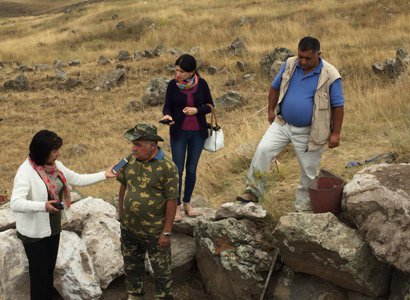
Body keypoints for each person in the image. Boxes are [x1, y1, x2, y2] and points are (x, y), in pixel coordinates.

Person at [237, 36, 345, 212]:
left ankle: (303, 208)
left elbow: (338, 105)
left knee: (309, 171)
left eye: (307, 58)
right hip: (282, 124)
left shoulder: (331, 75)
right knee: (263, 150)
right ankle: (253, 192)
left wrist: (336, 133)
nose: (302, 61)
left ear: (319, 54)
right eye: (300, 56)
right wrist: (271, 111)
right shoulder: (290, 64)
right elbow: (275, 87)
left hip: (311, 132)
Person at [10, 130, 117, 300]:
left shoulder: (55, 166)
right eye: (54, 151)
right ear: (43, 153)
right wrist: (42, 206)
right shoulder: (26, 173)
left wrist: (105, 174)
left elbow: (78, 179)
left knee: (49, 269)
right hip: (34, 233)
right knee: (39, 276)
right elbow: (15, 203)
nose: (58, 154)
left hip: (52, 227)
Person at [117, 124, 179, 300]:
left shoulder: (167, 167)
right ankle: (135, 295)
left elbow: (171, 200)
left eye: (138, 144)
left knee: (161, 271)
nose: (133, 148)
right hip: (129, 228)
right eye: (132, 144)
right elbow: (123, 185)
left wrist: (166, 231)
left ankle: (163, 297)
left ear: (152, 145)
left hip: (154, 232)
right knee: (131, 265)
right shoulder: (130, 159)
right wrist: (121, 213)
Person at [161, 54, 214, 221]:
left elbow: (210, 106)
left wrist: (196, 110)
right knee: (177, 170)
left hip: (198, 133)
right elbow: (167, 106)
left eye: (181, 72)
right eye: (176, 70)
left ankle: (187, 203)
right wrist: (168, 116)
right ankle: (175, 206)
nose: (177, 74)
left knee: (191, 169)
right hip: (179, 132)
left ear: (192, 72)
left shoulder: (202, 84)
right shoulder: (172, 85)